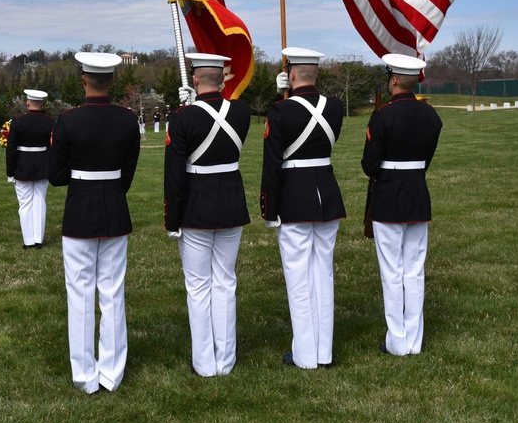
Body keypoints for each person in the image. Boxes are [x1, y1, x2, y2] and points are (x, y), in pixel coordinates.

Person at [48, 52, 140, 394]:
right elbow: (127, 173)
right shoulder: (128, 120)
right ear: (112, 81)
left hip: (80, 211)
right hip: (114, 208)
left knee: (80, 293)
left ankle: (85, 374)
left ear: (84, 80)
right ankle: (112, 373)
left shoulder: (68, 120)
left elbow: (56, 175)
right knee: (112, 292)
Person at [164, 53, 251, 377]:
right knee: (224, 282)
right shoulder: (240, 112)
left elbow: (174, 175)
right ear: (223, 79)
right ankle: (225, 360)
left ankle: (204, 363)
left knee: (199, 287)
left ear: (195, 80)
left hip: (195, 208)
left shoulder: (183, 118)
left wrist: (171, 220)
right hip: (230, 204)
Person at [260, 47, 347, 369]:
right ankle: (323, 352)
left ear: (291, 73)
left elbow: (273, 163)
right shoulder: (335, 107)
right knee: (322, 274)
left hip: (294, 198)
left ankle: (305, 355)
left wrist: (268, 208)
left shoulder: (280, 111)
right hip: (327, 194)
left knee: (298, 278)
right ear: (317, 73)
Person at [362, 53, 443, 357]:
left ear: (393, 80)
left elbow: (369, 165)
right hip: (417, 194)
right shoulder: (431, 115)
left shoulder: (383, 116)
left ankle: (397, 342)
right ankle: (414, 340)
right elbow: (426, 161)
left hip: (388, 197)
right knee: (414, 270)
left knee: (391, 272)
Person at [6, 89, 55, 249]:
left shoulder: (18, 122)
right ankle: (38, 239)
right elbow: (53, 147)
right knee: (40, 201)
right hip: (42, 165)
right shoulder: (50, 122)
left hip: (22, 167)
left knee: (25, 204)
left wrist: (10, 171)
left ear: (28, 103)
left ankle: (28, 241)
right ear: (41, 104)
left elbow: (11, 149)